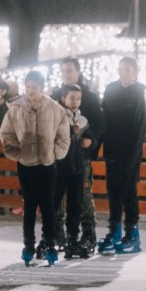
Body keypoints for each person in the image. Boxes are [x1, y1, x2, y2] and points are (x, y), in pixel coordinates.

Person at [0, 70, 71, 266]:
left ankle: (50, 245)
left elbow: (64, 134)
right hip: (26, 164)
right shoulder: (16, 108)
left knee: (48, 205)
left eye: (34, 87)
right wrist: (16, 153)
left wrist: (56, 152)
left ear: (42, 87)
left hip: (47, 164)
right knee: (29, 205)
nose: (30, 91)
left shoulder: (54, 108)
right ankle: (28, 245)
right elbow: (6, 134)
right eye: (28, 87)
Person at [52, 58, 105, 250]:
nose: (66, 74)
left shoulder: (88, 97)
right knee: (56, 197)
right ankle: (57, 234)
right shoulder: (55, 96)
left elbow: (99, 124)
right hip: (59, 158)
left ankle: (88, 234)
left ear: (78, 72)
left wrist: (90, 142)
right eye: (63, 70)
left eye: (69, 70)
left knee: (82, 196)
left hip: (80, 158)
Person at [99, 56, 146, 255]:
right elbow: (104, 119)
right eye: (121, 69)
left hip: (130, 151)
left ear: (135, 72)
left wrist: (133, 154)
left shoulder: (138, 93)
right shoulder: (111, 89)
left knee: (128, 191)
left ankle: (132, 234)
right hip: (113, 149)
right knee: (113, 191)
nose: (123, 72)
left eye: (127, 69)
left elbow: (139, 126)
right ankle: (114, 231)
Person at [54, 83, 97, 260]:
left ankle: (72, 239)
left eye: (78, 98)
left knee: (75, 204)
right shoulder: (57, 117)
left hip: (78, 168)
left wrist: (89, 142)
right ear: (63, 99)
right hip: (60, 167)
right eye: (72, 98)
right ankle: (55, 236)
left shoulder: (82, 120)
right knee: (56, 203)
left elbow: (91, 138)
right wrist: (73, 132)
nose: (75, 101)